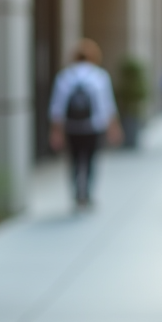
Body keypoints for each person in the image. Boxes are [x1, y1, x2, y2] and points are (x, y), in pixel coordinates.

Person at [48, 39, 122, 209]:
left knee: (74, 160)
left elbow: (56, 107)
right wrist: (114, 127)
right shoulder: (99, 76)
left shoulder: (65, 76)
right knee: (90, 160)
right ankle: (87, 194)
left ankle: (76, 193)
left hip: (72, 126)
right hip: (94, 126)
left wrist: (56, 131)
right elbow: (107, 104)